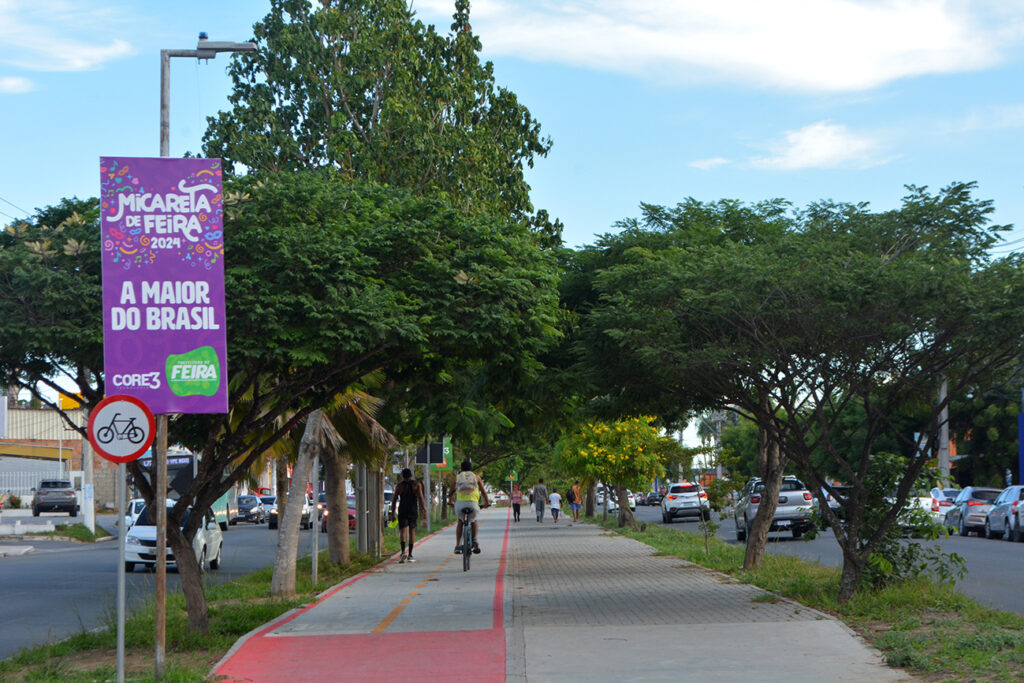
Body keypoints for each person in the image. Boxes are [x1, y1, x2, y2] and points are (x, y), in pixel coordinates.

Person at [449, 460, 490, 554]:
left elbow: (451, 492)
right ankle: (475, 539)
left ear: (461, 469)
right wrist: (486, 502)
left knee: (460, 521)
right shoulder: (477, 477)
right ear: (471, 469)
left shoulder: (457, 478)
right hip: (473, 504)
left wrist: (451, 501)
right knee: (473, 521)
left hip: (460, 504)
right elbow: (483, 492)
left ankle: (458, 545)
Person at [390, 468, 427, 563]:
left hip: (402, 510)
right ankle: (410, 554)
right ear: (411, 475)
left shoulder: (399, 486)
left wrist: (393, 513)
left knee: (403, 532)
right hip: (413, 510)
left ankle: (403, 552)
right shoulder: (416, 485)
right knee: (412, 532)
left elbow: (394, 500)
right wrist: (425, 511)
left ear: (403, 476)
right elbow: (421, 498)